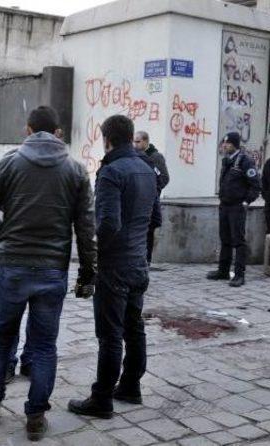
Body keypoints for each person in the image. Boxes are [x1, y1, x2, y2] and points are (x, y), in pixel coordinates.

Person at [0, 106, 96, 441]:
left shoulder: (10, 163)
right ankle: (36, 416)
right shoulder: (75, 170)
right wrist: (87, 274)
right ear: (58, 133)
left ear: (28, 130)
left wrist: (1, 232)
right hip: (52, 270)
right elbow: (87, 229)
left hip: (13, 265)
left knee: (2, 335)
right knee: (44, 345)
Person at [67, 115, 156, 420]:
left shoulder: (111, 172)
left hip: (115, 265)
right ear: (130, 137)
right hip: (139, 261)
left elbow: (107, 224)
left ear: (106, 139)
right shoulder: (146, 168)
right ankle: (131, 385)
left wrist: (92, 260)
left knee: (110, 335)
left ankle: (102, 398)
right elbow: (154, 218)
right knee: (134, 327)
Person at [206, 132, 261, 287]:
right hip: (225, 205)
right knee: (225, 239)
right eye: (224, 143)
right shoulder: (227, 161)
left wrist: (245, 202)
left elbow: (256, 186)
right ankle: (223, 270)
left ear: (235, 145)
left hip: (237, 206)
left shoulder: (245, 161)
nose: (224, 146)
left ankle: (239, 274)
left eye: (227, 143)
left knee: (238, 241)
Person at [133, 131, 170, 264]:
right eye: (134, 141)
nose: (135, 144)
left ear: (145, 142)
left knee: (148, 234)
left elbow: (164, 178)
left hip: (150, 203)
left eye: (138, 142)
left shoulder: (155, 157)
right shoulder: (134, 156)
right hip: (136, 203)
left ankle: (146, 262)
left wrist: (152, 192)